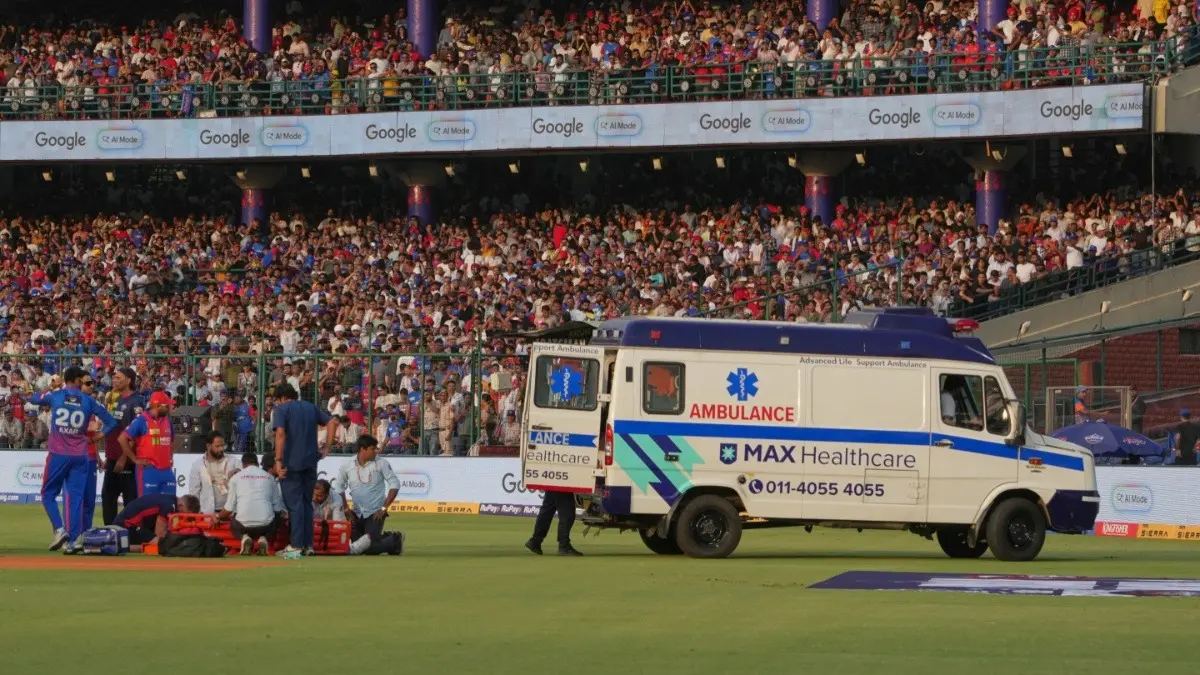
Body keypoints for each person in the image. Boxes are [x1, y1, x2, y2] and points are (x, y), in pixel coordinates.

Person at [30, 366, 117, 553]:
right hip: (81, 455)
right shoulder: (88, 401)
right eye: (83, 379)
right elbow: (112, 422)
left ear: (65, 380)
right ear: (77, 380)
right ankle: (74, 541)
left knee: (48, 494)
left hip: (58, 454)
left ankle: (60, 530)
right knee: (75, 499)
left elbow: (33, 398)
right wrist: (96, 438)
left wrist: (50, 387)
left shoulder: (56, 395)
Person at [272, 382, 337, 558]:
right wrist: (327, 447)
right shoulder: (310, 407)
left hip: (291, 462)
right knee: (307, 502)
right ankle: (308, 545)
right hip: (311, 461)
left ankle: (296, 545)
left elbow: (280, 434)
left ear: (282, 398)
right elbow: (331, 422)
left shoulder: (282, 409)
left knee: (295, 504)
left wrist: (278, 461)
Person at [336, 435, 403, 556]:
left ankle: (395, 539)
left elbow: (395, 484)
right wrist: (346, 508)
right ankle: (392, 540)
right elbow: (339, 487)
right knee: (359, 546)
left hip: (375, 514)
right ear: (362, 449)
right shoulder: (347, 464)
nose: (376, 451)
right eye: (373, 448)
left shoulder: (381, 463)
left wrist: (383, 509)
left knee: (368, 548)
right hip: (356, 513)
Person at [217, 452, 286, 555]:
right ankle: (264, 538)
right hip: (266, 526)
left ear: (243, 464)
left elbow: (229, 508)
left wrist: (218, 517)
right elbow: (277, 508)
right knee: (277, 518)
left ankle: (244, 538)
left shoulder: (236, 478)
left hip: (243, 525)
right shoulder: (270, 478)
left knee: (233, 522)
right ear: (257, 463)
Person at [101, 367, 145, 525]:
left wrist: (124, 457)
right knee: (108, 497)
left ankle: (130, 534)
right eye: (114, 378)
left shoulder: (136, 402)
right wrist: (110, 457)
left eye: (118, 378)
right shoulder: (117, 400)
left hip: (127, 460)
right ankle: (110, 532)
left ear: (129, 380)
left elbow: (137, 433)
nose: (114, 380)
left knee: (130, 499)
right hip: (113, 458)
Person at [119, 391, 177, 497]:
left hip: (166, 470)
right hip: (148, 470)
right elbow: (122, 438)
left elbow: (172, 440)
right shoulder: (141, 421)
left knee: (169, 506)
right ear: (158, 406)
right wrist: (135, 459)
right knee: (147, 507)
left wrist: (170, 457)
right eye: (167, 405)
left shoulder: (167, 421)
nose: (170, 407)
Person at [114, 493, 201, 548]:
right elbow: (159, 533)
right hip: (125, 527)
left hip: (134, 524)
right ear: (181, 506)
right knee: (159, 544)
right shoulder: (169, 506)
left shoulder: (171, 500)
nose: (184, 517)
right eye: (186, 514)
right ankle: (127, 547)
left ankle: (130, 547)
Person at [187, 431, 240, 514]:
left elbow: (244, 477)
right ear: (208, 446)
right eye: (217, 446)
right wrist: (196, 514)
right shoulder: (198, 465)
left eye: (223, 446)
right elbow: (194, 492)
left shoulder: (233, 461)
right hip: (208, 514)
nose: (221, 449)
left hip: (231, 512)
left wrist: (237, 472)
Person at [525, 489, 582, 557]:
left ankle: (536, 540)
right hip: (562, 482)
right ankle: (564, 545)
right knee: (567, 512)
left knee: (548, 508)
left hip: (552, 481)